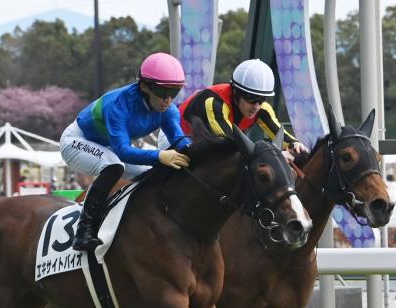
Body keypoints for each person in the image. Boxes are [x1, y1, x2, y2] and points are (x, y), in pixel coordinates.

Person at [60, 52, 192, 251]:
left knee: (150, 175)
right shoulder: (118, 105)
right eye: (162, 91)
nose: (167, 99)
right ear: (145, 86)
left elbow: (180, 142)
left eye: (174, 92)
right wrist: (160, 156)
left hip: (108, 147)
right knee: (113, 166)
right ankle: (84, 230)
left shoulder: (168, 111)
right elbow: (123, 152)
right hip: (76, 141)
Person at [178, 58, 308, 159]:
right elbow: (231, 147)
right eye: (251, 98)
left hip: (205, 146)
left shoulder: (262, 108)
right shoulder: (214, 104)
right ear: (236, 92)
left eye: (262, 99)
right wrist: (276, 156)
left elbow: (280, 133)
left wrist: (295, 144)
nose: (256, 106)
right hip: (177, 139)